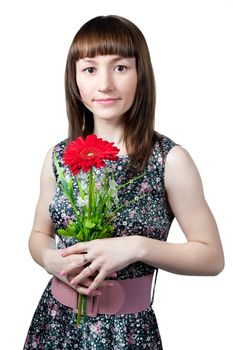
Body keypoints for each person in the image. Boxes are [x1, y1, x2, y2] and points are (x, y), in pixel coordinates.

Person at [24, 15, 224, 349]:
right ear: (74, 80)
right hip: (55, 324)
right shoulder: (59, 157)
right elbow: (39, 234)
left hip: (127, 334)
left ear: (140, 74)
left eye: (120, 67)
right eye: (90, 69)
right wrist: (49, 259)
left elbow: (212, 257)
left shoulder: (169, 160)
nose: (104, 83)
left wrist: (138, 247)